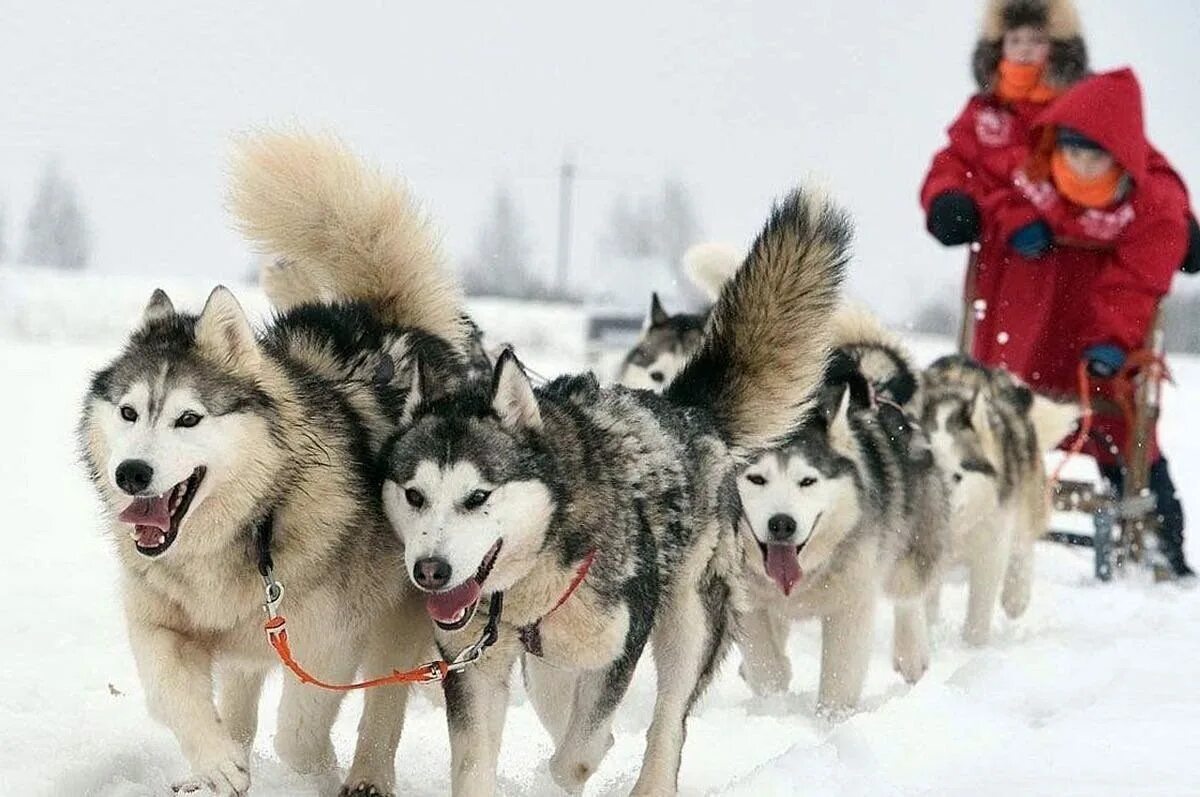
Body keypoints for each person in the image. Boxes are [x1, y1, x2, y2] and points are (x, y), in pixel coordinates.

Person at [973, 69, 1194, 577]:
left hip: (1098, 358)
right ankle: (971, 526)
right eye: (1072, 151)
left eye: (1095, 155)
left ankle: (1162, 549)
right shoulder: (1030, 174)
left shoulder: (1152, 202)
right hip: (1026, 338)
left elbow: (1136, 281)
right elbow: (992, 191)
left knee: (1123, 431)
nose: (1080, 164)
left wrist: (1113, 340)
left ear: (1119, 155)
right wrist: (1012, 220)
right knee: (992, 425)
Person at [921, 0, 1088, 247]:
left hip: (1068, 255)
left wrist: (1022, 214)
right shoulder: (983, 110)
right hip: (998, 260)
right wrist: (946, 198)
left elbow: (1098, 179)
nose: (1025, 50)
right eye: (1015, 40)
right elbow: (954, 161)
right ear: (999, 46)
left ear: (1058, 46)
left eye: (1036, 40)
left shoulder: (1083, 104)